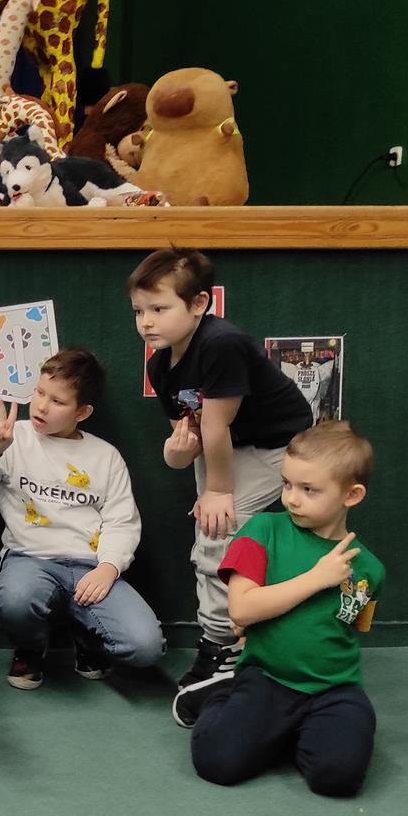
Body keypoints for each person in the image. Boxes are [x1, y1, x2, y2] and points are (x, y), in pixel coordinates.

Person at [131, 247, 313, 726]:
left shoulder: (221, 343)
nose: (146, 322)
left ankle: (222, 645)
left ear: (199, 304)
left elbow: (218, 427)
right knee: (211, 534)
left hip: (276, 443)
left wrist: (217, 492)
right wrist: (176, 451)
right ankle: (226, 639)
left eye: (159, 308)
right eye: (139, 311)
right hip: (224, 445)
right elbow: (189, 438)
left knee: (217, 533)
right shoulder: (160, 366)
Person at [0, 349, 163, 690]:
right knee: (15, 600)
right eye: (39, 392)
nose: (42, 406)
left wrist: (109, 567)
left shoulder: (105, 456)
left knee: (145, 647)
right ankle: (31, 647)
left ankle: (87, 637)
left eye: (57, 401)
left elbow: (122, 521)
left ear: (82, 412)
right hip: (29, 560)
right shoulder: (13, 437)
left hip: (90, 567)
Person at [189, 422, 385, 797]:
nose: (292, 499)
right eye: (287, 484)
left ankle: (300, 731)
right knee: (216, 762)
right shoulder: (263, 530)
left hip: (335, 689)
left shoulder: (370, 568)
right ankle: (220, 694)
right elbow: (241, 610)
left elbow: (352, 627)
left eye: (309, 489)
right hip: (267, 678)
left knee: (338, 779)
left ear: (352, 494)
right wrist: (316, 578)